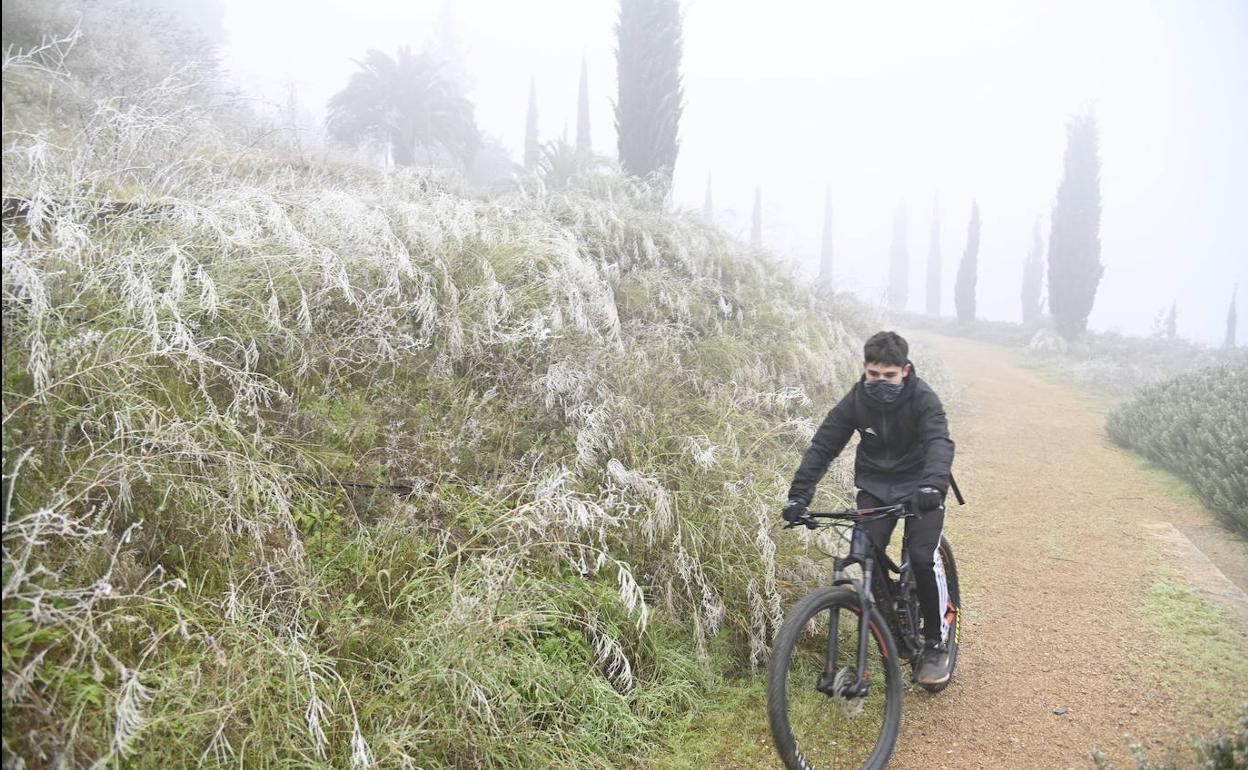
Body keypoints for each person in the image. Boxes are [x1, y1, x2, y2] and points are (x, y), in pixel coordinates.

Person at [781, 330, 957, 685]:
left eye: (889, 376)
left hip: (922, 486)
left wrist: (932, 485)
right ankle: (890, 625)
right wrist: (799, 495)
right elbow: (824, 445)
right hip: (875, 488)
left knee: (923, 557)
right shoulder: (857, 400)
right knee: (865, 552)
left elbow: (939, 440)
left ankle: (937, 642)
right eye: (874, 375)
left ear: (904, 370)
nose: (880, 382)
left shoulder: (923, 398)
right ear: (865, 369)